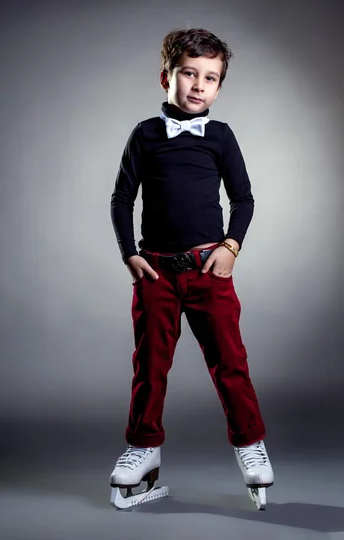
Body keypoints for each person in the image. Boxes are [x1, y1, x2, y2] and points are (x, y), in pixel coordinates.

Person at [109, 28, 274, 510]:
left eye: (210, 77)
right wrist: (129, 253)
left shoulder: (221, 136)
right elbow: (122, 198)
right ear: (167, 77)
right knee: (150, 366)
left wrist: (231, 247)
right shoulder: (144, 134)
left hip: (209, 271)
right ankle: (143, 447)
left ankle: (250, 444)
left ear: (219, 87)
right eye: (188, 73)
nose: (198, 85)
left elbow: (242, 199)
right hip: (156, 273)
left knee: (230, 362)